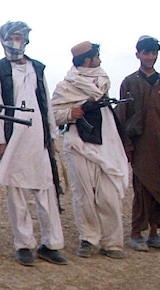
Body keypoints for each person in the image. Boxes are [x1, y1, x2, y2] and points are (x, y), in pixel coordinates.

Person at [0, 21, 68, 266]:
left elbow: (45, 102)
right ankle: (23, 244)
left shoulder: (37, 67)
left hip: (38, 139)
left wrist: (52, 135)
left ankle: (51, 244)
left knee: (46, 190)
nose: (18, 41)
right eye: (14, 36)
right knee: (17, 193)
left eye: (22, 37)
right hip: (13, 140)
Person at [51, 41, 130, 259]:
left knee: (109, 194)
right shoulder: (65, 87)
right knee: (84, 194)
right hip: (78, 143)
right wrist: (71, 113)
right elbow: (53, 113)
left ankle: (112, 242)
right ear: (87, 59)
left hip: (106, 142)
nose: (99, 60)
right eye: (96, 56)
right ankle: (88, 238)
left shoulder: (102, 80)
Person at [115, 35, 160, 251]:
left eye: (153, 53)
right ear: (138, 54)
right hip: (140, 145)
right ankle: (136, 233)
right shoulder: (129, 82)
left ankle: (154, 233)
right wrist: (127, 146)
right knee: (142, 188)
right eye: (146, 53)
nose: (150, 57)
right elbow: (123, 116)